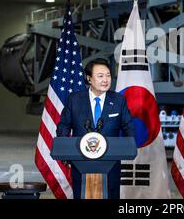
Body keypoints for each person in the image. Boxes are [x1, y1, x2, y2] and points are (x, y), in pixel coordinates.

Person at [56, 58, 135, 199]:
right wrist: (64, 150)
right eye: (100, 76)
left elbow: (128, 126)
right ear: (89, 79)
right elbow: (64, 125)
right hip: (80, 161)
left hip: (110, 164)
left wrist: (129, 146)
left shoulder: (118, 100)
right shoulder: (74, 99)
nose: (105, 79)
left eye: (108, 75)